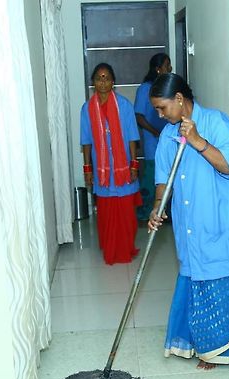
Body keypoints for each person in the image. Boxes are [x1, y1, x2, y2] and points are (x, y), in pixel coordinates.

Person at [148, 73, 229, 370]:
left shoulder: (216, 122)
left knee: (220, 280)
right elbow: (162, 179)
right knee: (196, 278)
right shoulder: (168, 134)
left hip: (221, 223)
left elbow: (228, 164)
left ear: (180, 100)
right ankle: (203, 344)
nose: (159, 115)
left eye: (162, 108)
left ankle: (221, 350)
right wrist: (158, 207)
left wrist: (197, 141)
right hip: (190, 224)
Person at [80, 63, 142, 265]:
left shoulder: (124, 105)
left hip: (123, 170)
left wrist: (134, 164)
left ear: (113, 81)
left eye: (106, 78)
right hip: (102, 172)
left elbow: (133, 137)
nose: (103, 81)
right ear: (93, 83)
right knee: (106, 213)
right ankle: (110, 248)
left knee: (126, 214)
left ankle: (125, 249)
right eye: (99, 78)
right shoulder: (87, 109)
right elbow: (86, 141)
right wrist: (87, 169)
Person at [134, 53, 172, 221]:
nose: (169, 68)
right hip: (153, 142)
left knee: (169, 178)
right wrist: (155, 132)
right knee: (152, 179)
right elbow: (139, 116)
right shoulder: (145, 89)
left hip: (169, 142)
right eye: (166, 65)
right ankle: (143, 214)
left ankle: (164, 212)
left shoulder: (167, 88)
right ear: (158, 69)